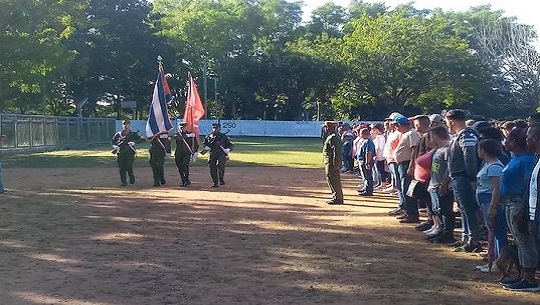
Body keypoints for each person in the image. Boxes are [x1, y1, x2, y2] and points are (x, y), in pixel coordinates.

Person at [501, 125, 540, 291]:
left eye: (529, 137)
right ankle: (524, 275)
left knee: (526, 243)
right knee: (520, 241)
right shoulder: (532, 159)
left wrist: (524, 210)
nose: (527, 140)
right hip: (515, 204)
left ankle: (530, 279)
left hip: (522, 204)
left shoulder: (528, 160)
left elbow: (527, 186)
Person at [445, 109, 482, 252]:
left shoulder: (466, 135)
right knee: (463, 209)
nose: (447, 124)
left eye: (447, 121)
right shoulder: (460, 135)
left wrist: (472, 178)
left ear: (452, 121)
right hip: (459, 176)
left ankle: (473, 239)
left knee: (468, 209)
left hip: (464, 177)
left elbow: (470, 157)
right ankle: (466, 237)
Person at [476, 139, 507, 263]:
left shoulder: (494, 166)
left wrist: (493, 206)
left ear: (483, 150)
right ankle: (492, 258)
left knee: (497, 232)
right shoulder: (487, 164)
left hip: (491, 200)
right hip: (485, 200)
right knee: (491, 231)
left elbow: (497, 188)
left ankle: (499, 260)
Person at [427, 126, 455, 244]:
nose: (430, 139)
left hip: (441, 185)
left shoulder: (447, 149)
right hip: (434, 184)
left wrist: (444, 183)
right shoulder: (439, 148)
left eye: (431, 136)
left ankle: (448, 232)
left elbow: (449, 168)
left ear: (435, 135)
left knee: (445, 210)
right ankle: (441, 229)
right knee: (437, 209)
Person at [393, 115, 421, 223]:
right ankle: (408, 212)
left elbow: (414, 150)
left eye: (396, 126)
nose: (396, 128)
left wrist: (412, 166)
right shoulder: (407, 134)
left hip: (407, 164)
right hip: (403, 164)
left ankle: (412, 214)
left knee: (407, 189)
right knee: (404, 189)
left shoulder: (411, 134)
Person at [111, 119, 145, 186]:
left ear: (129, 125)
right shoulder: (118, 134)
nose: (125, 125)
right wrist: (115, 146)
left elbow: (142, 139)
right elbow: (112, 141)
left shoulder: (133, 134)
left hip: (130, 153)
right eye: (124, 124)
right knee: (121, 168)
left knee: (129, 166)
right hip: (120, 153)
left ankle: (131, 176)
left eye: (127, 124)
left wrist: (134, 142)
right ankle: (124, 182)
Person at [201, 123, 232, 187]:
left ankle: (221, 178)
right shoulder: (209, 136)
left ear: (220, 129)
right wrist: (206, 147)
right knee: (212, 167)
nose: (215, 129)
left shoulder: (223, 136)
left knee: (220, 165)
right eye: (214, 128)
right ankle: (215, 182)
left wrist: (228, 149)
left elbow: (230, 144)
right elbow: (204, 143)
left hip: (221, 153)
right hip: (212, 153)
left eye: (216, 128)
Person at [323, 121, 344, 204]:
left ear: (329, 127)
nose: (325, 128)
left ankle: (338, 198)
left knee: (334, 179)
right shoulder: (332, 136)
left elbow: (337, 151)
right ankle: (336, 196)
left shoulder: (333, 137)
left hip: (332, 161)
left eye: (326, 127)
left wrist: (336, 164)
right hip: (330, 161)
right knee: (331, 179)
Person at [173, 122, 198, 187]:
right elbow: (178, 138)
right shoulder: (177, 134)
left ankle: (186, 180)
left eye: (183, 127)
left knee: (185, 165)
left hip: (186, 153)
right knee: (180, 167)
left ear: (186, 127)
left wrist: (195, 152)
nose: (182, 129)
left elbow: (195, 144)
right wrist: (187, 136)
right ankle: (184, 180)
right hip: (178, 153)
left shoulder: (191, 134)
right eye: (180, 127)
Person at [357, 128, 375, 196]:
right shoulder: (365, 141)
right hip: (362, 160)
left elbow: (368, 153)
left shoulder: (368, 141)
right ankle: (365, 187)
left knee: (368, 176)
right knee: (365, 176)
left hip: (366, 161)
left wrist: (367, 162)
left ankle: (368, 190)